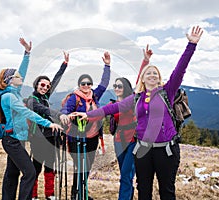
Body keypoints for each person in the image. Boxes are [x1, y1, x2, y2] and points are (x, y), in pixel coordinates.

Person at [73, 26, 203, 200]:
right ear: (142, 78)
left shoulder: (167, 91)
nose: (152, 75)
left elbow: (181, 69)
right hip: (142, 150)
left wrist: (191, 45)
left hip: (166, 150)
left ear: (159, 77)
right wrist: (88, 115)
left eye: (155, 73)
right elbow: (111, 108)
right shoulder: (136, 98)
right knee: (143, 191)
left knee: (167, 191)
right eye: (148, 73)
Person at [0, 38, 63, 200]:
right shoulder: (9, 97)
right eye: (17, 76)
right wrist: (49, 123)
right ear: (10, 79)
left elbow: (22, 71)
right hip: (12, 140)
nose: (22, 77)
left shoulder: (15, 92)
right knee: (30, 172)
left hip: (17, 139)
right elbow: (29, 114)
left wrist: (27, 53)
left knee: (12, 173)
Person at [61, 52, 111, 200]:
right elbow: (66, 110)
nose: (86, 86)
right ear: (79, 85)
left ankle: (82, 191)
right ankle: (76, 193)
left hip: (93, 136)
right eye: (83, 83)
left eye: (89, 83)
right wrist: (66, 115)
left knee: (87, 166)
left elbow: (104, 83)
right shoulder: (74, 98)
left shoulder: (95, 95)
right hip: (76, 136)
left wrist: (107, 65)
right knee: (80, 166)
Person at [106, 45, 152, 200]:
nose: (117, 88)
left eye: (120, 85)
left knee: (125, 175)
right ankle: (129, 195)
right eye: (115, 86)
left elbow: (140, 81)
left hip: (133, 141)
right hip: (118, 142)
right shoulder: (112, 104)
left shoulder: (132, 99)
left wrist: (145, 61)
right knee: (125, 174)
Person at [27, 52, 70, 200]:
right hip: (38, 138)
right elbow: (43, 110)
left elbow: (56, 81)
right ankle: (33, 195)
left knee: (51, 166)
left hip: (51, 137)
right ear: (36, 85)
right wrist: (59, 115)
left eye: (47, 86)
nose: (45, 88)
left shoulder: (45, 97)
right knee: (36, 167)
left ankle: (50, 194)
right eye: (42, 85)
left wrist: (64, 65)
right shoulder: (32, 100)